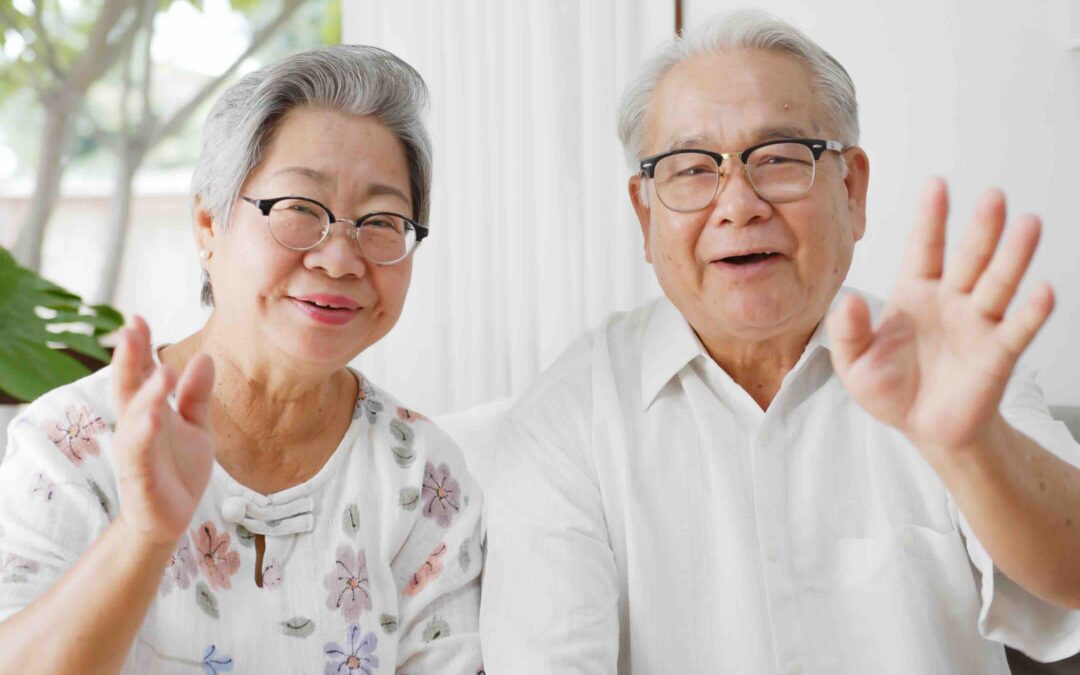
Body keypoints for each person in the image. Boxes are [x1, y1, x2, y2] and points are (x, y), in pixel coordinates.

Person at [481, 9, 1080, 674]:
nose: (739, 203)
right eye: (691, 168)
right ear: (645, 213)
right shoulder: (564, 420)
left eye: (778, 158)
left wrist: (971, 447)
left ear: (851, 190)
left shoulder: (946, 365)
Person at [0, 45, 484, 674]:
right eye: (299, 210)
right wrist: (143, 535)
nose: (339, 259)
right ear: (208, 223)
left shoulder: (424, 478)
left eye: (382, 221)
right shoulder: (72, 444)